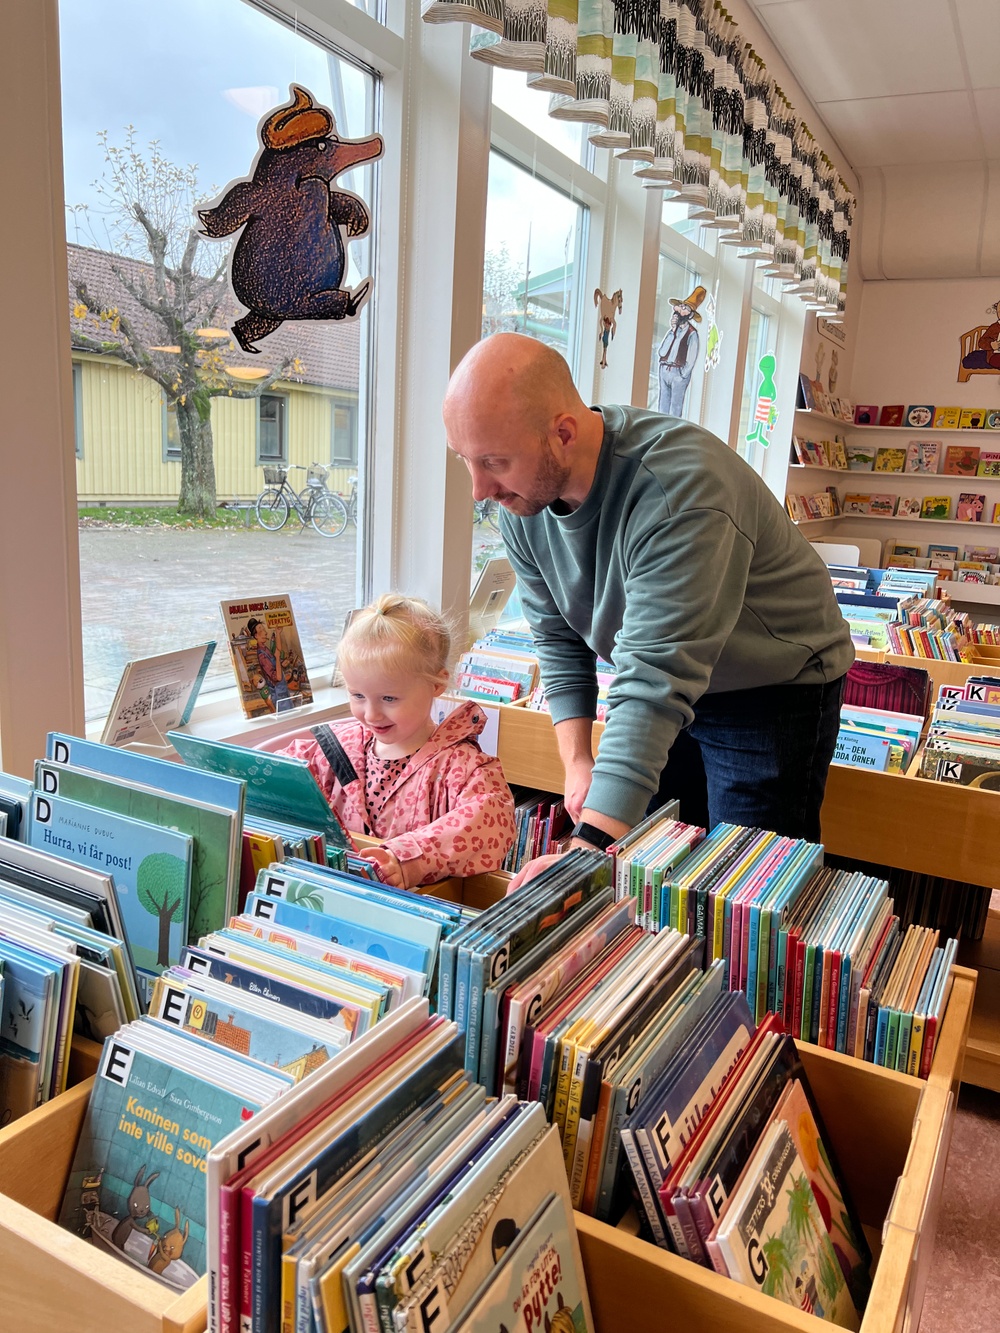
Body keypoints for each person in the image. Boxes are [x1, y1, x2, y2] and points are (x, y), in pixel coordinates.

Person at [442, 334, 854, 887]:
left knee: (748, 893)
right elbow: (558, 636)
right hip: (666, 683)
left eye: (494, 461)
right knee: (652, 864)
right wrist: (578, 763)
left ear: (563, 433)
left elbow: (655, 679)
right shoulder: (522, 502)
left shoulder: (680, 489)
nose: (479, 489)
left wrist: (586, 849)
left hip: (772, 685)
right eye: (467, 460)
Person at [271, 593, 515, 887]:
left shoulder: (463, 768)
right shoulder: (331, 750)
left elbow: (490, 824)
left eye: (389, 698)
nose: (371, 714)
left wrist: (409, 858)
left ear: (436, 685)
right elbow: (275, 775)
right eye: (357, 695)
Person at [656, 285, 705, 417]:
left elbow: (691, 358)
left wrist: (682, 374)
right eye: (681, 306)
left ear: (690, 315)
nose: (681, 310)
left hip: (678, 373)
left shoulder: (692, 334)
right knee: (662, 407)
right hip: (664, 369)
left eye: (685, 308)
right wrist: (672, 331)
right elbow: (661, 352)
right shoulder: (673, 331)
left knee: (675, 409)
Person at [247, 616, 291, 712]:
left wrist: (278, 634)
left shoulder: (265, 649)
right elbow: (278, 677)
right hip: (279, 694)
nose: (265, 632)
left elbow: (277, 650)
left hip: (282, 690)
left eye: (264, 629)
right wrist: (278, 659)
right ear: (256, 636)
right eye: (261, 630)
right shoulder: (262, 656)